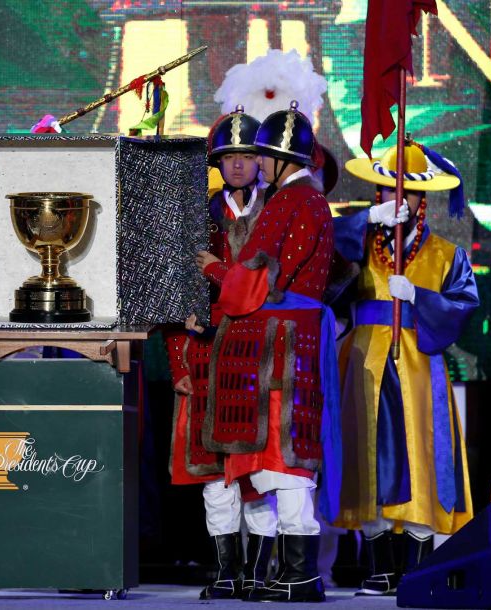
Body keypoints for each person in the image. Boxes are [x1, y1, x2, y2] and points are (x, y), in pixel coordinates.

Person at [197, 102, 339, 603]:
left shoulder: (288, 203)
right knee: (288, 454)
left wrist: (214, 268)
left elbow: (252, 285)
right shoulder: (308, 200)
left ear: (278, 159)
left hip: (280, 344)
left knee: (285, 455)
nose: (254, 163)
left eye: (261, 155)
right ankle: (295, 573)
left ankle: (300, 575)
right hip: (293, 337)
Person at [333, 138, 477, 595]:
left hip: (419, 365)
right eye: (388, 194)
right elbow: (321, 254)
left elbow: (464, 305)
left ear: (423, 200)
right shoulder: (358, 244)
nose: (398, 201)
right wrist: (364, 223)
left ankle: (414, 569)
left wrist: (421, 298)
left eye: (408, 194)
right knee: (368, 456)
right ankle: (378, 568)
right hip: (365, 361)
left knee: (419, 457)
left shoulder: (446, 254)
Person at [166, 105, 277, 599]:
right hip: (205, 357)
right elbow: (173, 291)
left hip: (259, 355)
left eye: (248, 155)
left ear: (262, 161)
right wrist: (177, 362)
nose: (237, 164)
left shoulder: (278, 212)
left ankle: (260, 570)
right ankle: (227, 570)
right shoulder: (199, 215)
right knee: (215, 475)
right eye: (228, 156)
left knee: (257, 468)